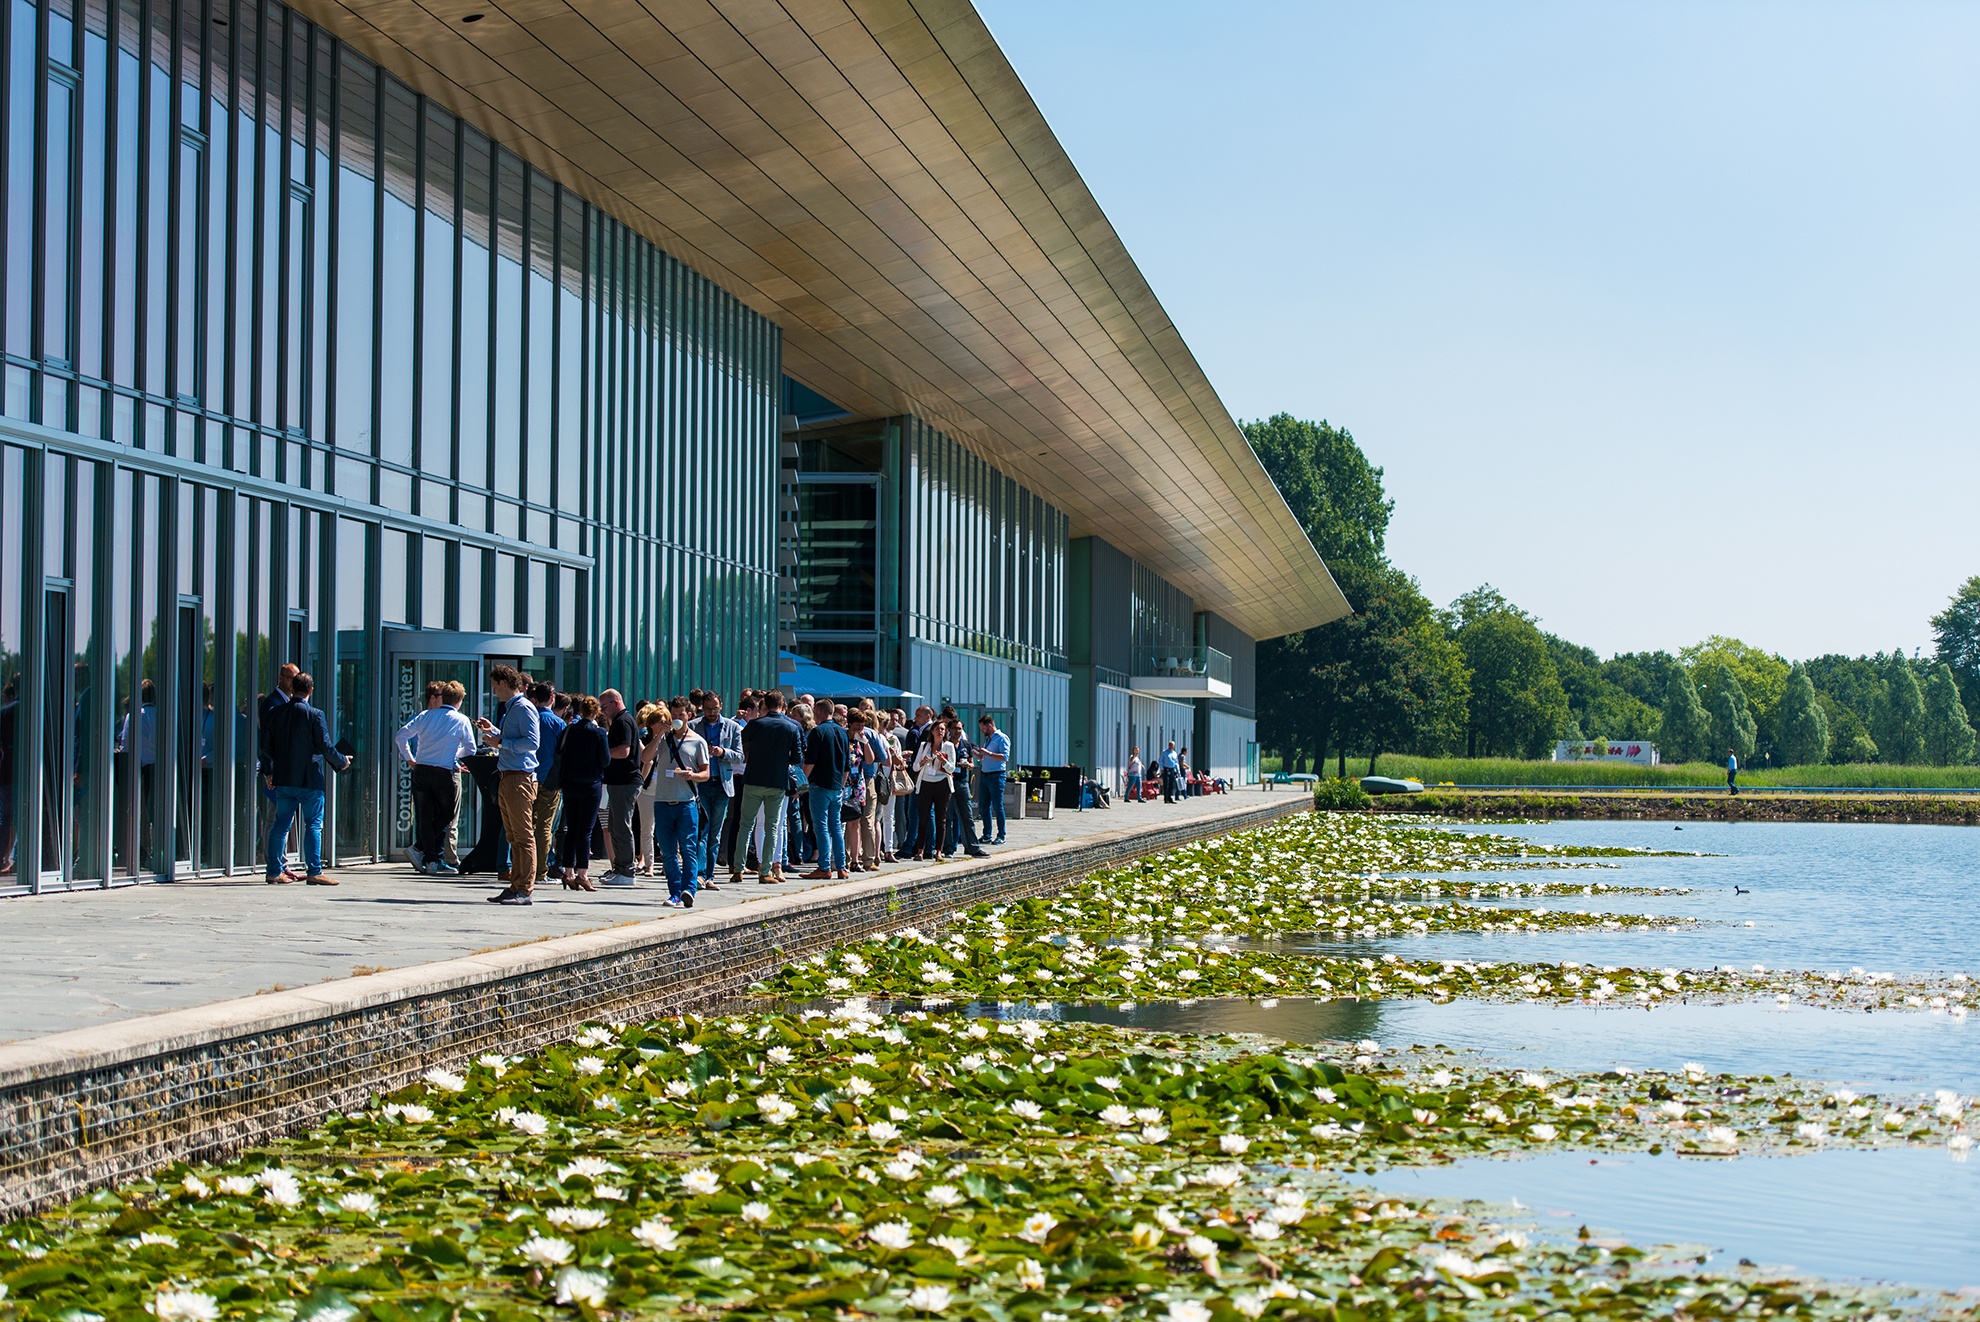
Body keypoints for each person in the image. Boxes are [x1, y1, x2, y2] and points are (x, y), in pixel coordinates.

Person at [257, 671, 349, 886]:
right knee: (314, 825)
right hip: (309, 779)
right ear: (310, 690)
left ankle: (273, 872)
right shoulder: (315, 714)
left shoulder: (277, 713)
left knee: (280, 825)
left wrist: (270, 771)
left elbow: (266, 746)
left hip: (284, 778)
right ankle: (314, 871)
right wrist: (342, 761)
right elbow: (325, 746)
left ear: (292, 688)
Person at [393, 680, 477, 874]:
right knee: (447, 814)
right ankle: (420, 850)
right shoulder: (461, 720)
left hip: (421, 769)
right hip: (442, 771)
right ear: (460, 700)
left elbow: (401, 736)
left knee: (425, 815)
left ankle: (429, 859)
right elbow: (470, 749)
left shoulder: (425, 716)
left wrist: (410, 759)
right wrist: (453, 754)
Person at [476, 664, 541, 906]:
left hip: (519, 777)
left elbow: (532, 742)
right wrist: (492, 731)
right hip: (509, 776)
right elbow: (512, 738)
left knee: (523, 835)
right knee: (514, 835)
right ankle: (516, 885)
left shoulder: (523, 707)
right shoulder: (513, 707)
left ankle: (524, 888)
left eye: (494, 687)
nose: (494, 692)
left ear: (504, 683)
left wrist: (501, 743)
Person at [646, 695, 710, 907]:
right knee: (668, 852)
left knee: (688, 849)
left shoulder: (697, 741)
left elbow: (706, 773)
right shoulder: (664, 740)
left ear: (689, 715)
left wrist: (692, 776)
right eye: (673, 715)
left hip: (686, 802)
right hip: (663, 801)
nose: (676, 719)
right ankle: (674, 891)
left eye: (680, 715)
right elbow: (645, 758)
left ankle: (688, 890)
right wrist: (658, 735)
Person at [735, 689, 802, 885]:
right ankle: (765, 871)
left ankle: (738, 869)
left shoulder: (755, 724)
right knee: (773, 827)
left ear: (765, 704)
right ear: (782, 705)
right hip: (776, 781)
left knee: (746, 825)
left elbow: (743, 744)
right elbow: (797, 758)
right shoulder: (792, 727)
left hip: (753, 778)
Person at [553, 695, 609, 891]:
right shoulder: (599, 733)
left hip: (570, 784)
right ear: (596, 712)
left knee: (571, 829)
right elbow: (605, 761)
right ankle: (582, 873)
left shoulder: (569, 730)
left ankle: (567, 871)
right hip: (590, 784)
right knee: (585, 831)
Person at [694, 689, 741, 890]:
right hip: (701, 785)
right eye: (707, 709)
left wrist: (723, 752)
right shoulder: (693, 727)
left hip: (722, 785)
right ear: (702, 708)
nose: (711, 712)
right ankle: (699, 874)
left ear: (721, 706)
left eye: (714, 708)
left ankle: (710, 875)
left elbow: (740, 756)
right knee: (701, 832)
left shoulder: (733, 727)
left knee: (715, 833)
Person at [802, 697, 851, 880]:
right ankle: (841, 867)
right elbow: (847, 764)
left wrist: (801, 784)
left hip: (820, 785)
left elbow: (810, 762)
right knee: (836, 827)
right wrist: (842, 785)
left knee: (821, 827)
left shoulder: (817, 732)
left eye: (815, 711)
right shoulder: (842, 733)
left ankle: (824, 867)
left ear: (820, 712)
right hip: (837, 785)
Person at [597, 689, 641, 886]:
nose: (603, 711)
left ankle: (627, 871)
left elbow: (624, 751)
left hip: (625, 781)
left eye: (604, 707)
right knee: (614, 826)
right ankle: (619, 868)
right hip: (618, 781)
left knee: (621, 826)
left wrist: (601, 753)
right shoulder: (620, 721)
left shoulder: (623, 721)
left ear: (615, 703)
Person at [526, 681, 566, 889]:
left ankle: (525, 868)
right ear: (552, 698)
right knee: (545, 827)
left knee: (526, 826)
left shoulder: (529, 718)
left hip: (528, 777)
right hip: (550, 779)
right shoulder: (558, 724)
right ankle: (541, 870)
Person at [945, 714, 990, 859]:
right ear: (949, 730)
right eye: (955, 729)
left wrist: (968, 765)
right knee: (948, 816)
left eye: (959, 729)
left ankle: (972, 847)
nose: (957, 731)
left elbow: (972, 763)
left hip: (962, 782)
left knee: (967, 816)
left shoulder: (966, 745)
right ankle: (948, 848)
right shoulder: (945, 744)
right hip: (948, 782)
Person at [912, 718, 956, 861]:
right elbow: (915, 767)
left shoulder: (949, 746)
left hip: (942, 783)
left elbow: (952, 768)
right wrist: (924, 761)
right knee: (923, 818)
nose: (940, 731)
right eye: (937, 729)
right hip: (926, 783)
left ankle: (938, 851)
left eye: (942, 729)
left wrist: (943, 760)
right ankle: (920, 851)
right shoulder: (925, 745)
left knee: (941, 818)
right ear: (932, 731)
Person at [976, 713, 1010, 844]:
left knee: (997, 805)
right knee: (984, 805)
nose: (982, 731)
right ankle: (987, 834)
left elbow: (1005, 756)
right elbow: (986, 757)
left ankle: (1001, 835)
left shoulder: (1001, 738)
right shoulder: (988, 739)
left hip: (997, 775)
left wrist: (988, 753)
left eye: (983, 728)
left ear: (989, 725)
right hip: (985, 774)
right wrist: (978, 755)